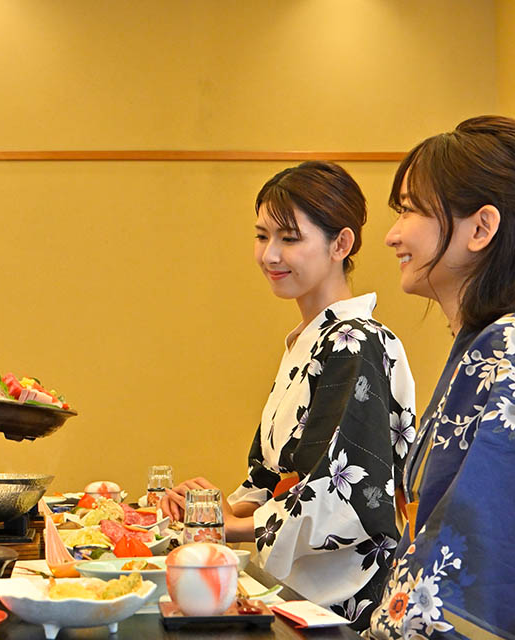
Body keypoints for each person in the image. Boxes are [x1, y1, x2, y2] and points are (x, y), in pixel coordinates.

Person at [366, 116, 515, 638]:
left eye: (408, 209)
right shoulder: (500, 343)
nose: (392, 235)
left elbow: (498, 567)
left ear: (481, 228)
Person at [161, 161, 416, 628]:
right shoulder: (309, 339)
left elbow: (347, 494)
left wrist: (229, 527)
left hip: (342, 598)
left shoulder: (354, 340)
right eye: (262, 236)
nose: (270, 255)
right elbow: (268, 478)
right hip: (296, 587)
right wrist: (210, 509)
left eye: (289, 238)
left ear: (341, 244)